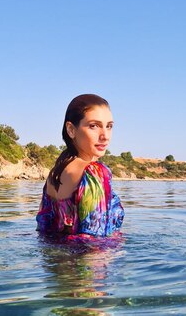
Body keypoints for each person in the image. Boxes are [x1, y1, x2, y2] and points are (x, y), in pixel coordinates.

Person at [36, 94, 124, 237]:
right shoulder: (93, 171)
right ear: (71, 129)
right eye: (94, 126)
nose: (105, 136)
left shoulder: (55, 174)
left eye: (109, 126)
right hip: (86, 258)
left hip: (53, 258)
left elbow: (42, 230)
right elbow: (95, 241)